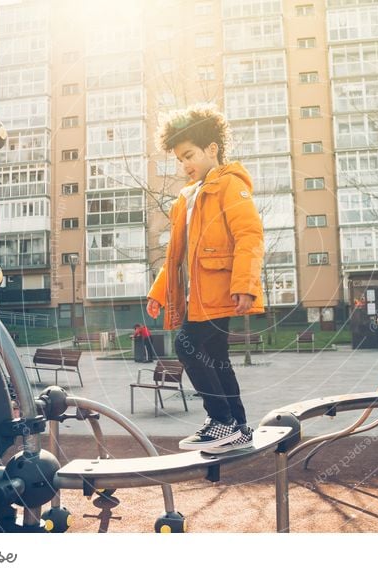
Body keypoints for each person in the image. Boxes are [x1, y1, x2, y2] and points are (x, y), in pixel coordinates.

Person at [146, 104, 264, 453]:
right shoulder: (187, 198)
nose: (185, 165)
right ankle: (239, 426)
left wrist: (244, 284)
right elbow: (178, 257)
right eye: (180, 159)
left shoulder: (229, 186)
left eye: (189, 155)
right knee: (217, 358)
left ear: (211, 149)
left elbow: (249, 235)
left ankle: (221, 420)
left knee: (186, 345)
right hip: (195, 294)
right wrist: (161, 292)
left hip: (219, 290)